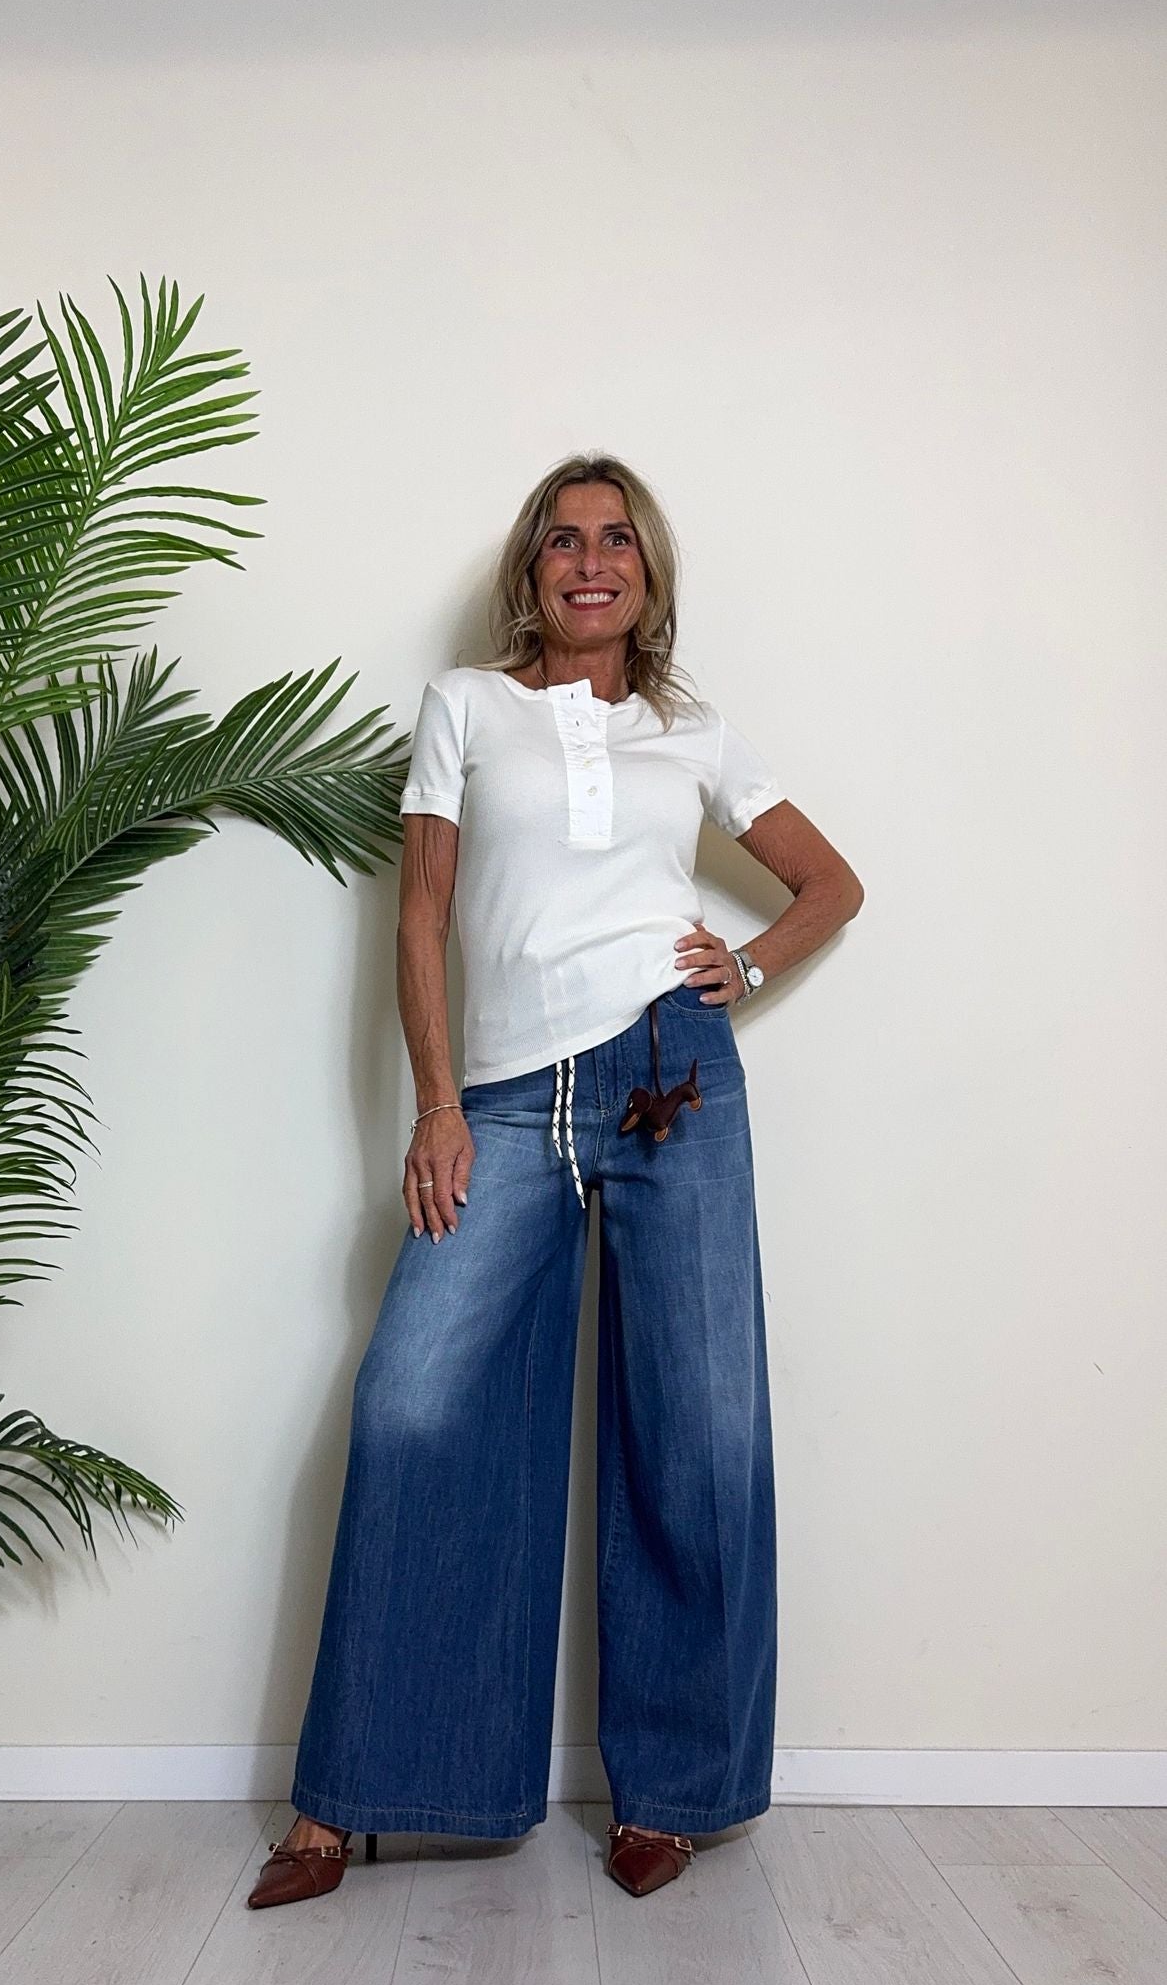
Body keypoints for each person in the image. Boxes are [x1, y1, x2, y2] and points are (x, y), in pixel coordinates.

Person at [249, 454, 863, 1908]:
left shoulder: (691, 730)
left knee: (700, 1429)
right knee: (411, 1401)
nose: (593, 563)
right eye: (566, 541)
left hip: (672, 1076)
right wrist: (437, 1105)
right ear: (531, 569)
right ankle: (353, 1801)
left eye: (618, 542)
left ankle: (677, 1796)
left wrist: (744, 966)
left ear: (649, 573)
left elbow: (831, 884)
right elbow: (422, 912)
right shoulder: (466, 706)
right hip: (511, 1101)